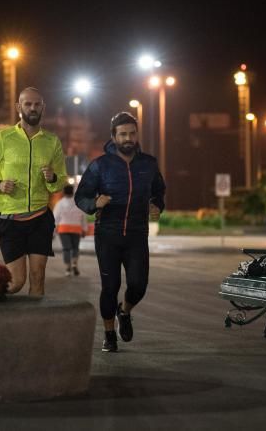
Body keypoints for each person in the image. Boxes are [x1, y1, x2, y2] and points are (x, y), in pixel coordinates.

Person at [74, 112, 165, 353]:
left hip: (136, 235)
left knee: (138, 285)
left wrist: (157, 205)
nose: (128, 138)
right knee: (110, 286)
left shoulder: (149, 164)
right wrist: (94, 204)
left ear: (137, 135)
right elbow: (80, 196)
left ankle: (124, 312)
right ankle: (109, 334)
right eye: (123, 134)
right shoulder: (99, 165)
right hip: (108, 236)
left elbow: (159, 191)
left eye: (132, 133)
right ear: (113, 136)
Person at [0, 87, 67, 296]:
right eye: (28, 104)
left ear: (43, 107)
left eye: (36, 104)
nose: (32, 108)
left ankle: (35, 327)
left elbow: (61, 181)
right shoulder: (3, 138)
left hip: (40, 218)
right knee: (16, 282)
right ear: (19, 107)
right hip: (10, 219)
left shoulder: (52, 142)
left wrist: (52, 178)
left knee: (38, 278)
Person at [53, 184, 89, 276]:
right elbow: (83, 217)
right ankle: (74, 264)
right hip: (76, 228)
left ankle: (68, 268)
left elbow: (55, 218)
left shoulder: (60, 203)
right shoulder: (78, 203)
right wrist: (84, 229)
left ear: (64, 192)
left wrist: (53, 230)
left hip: (63, 228)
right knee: (75, 248)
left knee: (66, 249)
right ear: (73, 192)